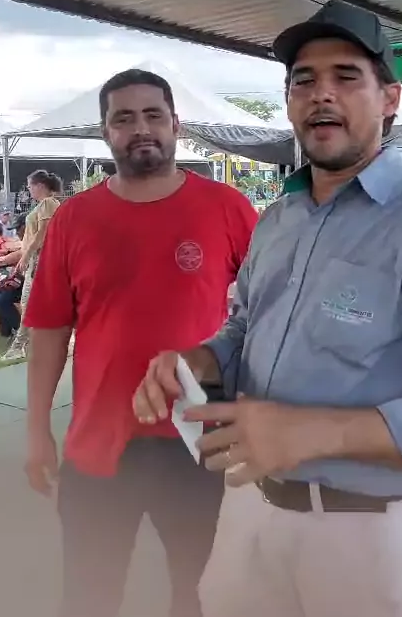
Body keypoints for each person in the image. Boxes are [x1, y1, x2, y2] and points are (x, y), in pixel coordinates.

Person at [134, 1, 402, 617]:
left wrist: (314, 431)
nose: (321, 94)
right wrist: (200, 361)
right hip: (249, 509)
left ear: (390, 99)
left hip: (368, 539)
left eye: (346, 76)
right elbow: (245, 326)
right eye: (303, 80)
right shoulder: (278, 220)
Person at [23, 68, 258, 617]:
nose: (141, 128)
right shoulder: (74, 218)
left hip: (200, 439)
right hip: (99, 443)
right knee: (89, 595)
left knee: (200, 596)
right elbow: (50, 330)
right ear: (106, 132)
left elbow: (268, 313)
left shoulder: (227, 208)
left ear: (177, 124)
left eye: (154, 115)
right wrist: (36, 432)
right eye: (124, 119)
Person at [1, 170, 61, 362]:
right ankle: (24, 345)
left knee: (29, 304)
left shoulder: (48, 203)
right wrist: (25, 256)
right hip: (37, 260)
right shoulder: (45, 204)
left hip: (40, 261)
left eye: (29, 186)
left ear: (39, 185)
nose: (28, 190)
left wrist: (26, 256)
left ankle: (19, 346)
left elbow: (43, 233)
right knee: (35, 305)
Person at [0, 214, 27, 339]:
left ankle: (21, 334)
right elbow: (9, 258)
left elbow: (14, 256)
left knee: (3, 300)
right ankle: (6, 332)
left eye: (18, 229)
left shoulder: (35, 241)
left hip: (36, 283)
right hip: (26, 280)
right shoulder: (27, 242)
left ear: (26, 227)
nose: (17, 232)